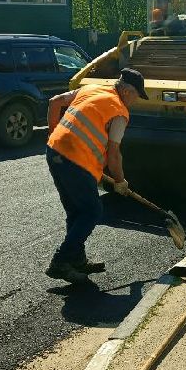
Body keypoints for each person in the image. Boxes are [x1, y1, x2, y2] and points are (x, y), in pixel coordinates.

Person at [45, 67, 148, 284]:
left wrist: (53, 133)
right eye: (137, 96)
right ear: (128, 91)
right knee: (92, 211)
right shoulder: (119, 111)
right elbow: (114, 154)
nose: (136, 101)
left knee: (76, 210)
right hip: (76, 161)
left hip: (54, 151)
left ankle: (77, 259)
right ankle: (61, 261)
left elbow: (55, 101)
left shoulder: (91, 88)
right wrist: (120, 182)